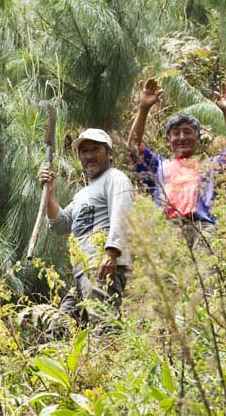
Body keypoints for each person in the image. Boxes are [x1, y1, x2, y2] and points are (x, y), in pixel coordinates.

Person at [127, 78, 226, 249]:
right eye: (176, 133)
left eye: (187, 132)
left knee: (207, 275)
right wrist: (143, 109)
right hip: (168, 230)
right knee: (172, 276)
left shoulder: (209, 165)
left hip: (203, 228)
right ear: (169, 140)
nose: (181, 138)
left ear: (197, 138)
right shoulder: (159, 166)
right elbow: (133, 147)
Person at [39, 129, 133, 324]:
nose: (89, 155)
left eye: (96, 149)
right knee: (60, 327)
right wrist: (49, 193)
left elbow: (122, 215)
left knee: (104, 326)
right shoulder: (82, 194)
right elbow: (61, 225)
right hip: (82, 273)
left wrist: (111, 253)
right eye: (84, 151)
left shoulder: (115, 178)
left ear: (109, 154)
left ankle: (110, 354)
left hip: (103, 267)